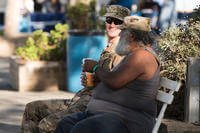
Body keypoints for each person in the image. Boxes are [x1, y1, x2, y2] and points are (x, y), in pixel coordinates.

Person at [21, 5, 130, 133]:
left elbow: (116, 83)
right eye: (109, 20)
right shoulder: (109, 46)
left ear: (125, 26)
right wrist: (92, 80)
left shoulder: (121, 51)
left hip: (92, 104)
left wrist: (96, 76)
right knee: (32, 108)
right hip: (81, 98)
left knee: (47, 124)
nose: (112, 25)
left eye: (117, 22)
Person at [55, 15, 160, 133]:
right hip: (108, 115)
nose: (120, 35)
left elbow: (115, 82)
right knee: (65, 124)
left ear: (131, 36)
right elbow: (120, 82)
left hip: (128, 121)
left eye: (123, 32)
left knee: (81, 129)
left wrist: (95, 67)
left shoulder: (142, 56)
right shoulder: (133, 55)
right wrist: (98, 81)